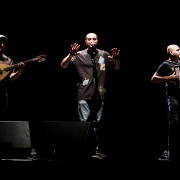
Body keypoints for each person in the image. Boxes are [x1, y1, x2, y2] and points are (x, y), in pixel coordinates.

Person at [60, 32, 120, 159]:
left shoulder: (104, 54)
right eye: (89, 39)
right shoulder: (79, 55)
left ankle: (97, 148)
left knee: (99, 123)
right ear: (85, 42)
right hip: (83, 93)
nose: (92, 40)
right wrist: (71, 54)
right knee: (84, 122)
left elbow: (117, 68)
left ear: (97, 41)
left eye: (94, 38)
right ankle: (83, 148)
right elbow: (63, 65)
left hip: (100, 93)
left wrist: (115, 59)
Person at [151, 44, 180, 162]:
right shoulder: (166, 64)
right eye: (178, 50)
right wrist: (171, 77)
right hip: (173, 98)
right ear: (171, 53)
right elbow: (153, 79)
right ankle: (170, 153)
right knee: (174, 124)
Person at [0, 34, 25, 121]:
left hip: (2, 93)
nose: (2, 45)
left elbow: (11, 78)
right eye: (0, 42)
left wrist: (20, 70)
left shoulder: (9, 61)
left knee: (1, 116)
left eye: (4, 43)